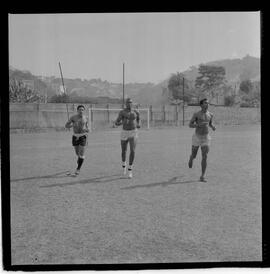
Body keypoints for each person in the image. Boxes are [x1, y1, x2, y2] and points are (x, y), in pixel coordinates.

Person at [188, 98, 216, 182]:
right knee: (194, 155)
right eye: (205, 103)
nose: (207, 104)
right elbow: (190, 125)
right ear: (201, 105)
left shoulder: (210, 114)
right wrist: (197, 125)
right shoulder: (196, 114)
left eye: (208, 103)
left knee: (205, 156)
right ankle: (191, 158)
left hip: (206, 137)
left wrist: (213, 126)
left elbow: (210, 123)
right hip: (197, 137)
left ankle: (202, 176)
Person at [113, 98, 141, 178]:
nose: (129, 104)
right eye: (128, 102)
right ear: (125, 104)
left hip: (133, 132)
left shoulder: (136, 112)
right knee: (123, 151)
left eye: (130, 102)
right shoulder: (122, 112)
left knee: (132, 150)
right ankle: (124, 166)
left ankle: (130, 170)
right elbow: (116, 122)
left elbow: (139, 119)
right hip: (124, 132)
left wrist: (138, 124)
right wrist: (120, 123)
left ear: (132, 103)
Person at [65, 105, 89, 176]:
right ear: (77, 110)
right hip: (75, 136)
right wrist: (72, 125)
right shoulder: (73, 117)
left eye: (82, 109)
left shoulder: (86, 118)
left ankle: (78, 169)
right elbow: (66, 125)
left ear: (84, 111)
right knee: (77, 153)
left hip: (83, 136)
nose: (81, 111)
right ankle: (80, 159)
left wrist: (87, 129)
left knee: (81, 154)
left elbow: (88, 128)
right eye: (80, 109)